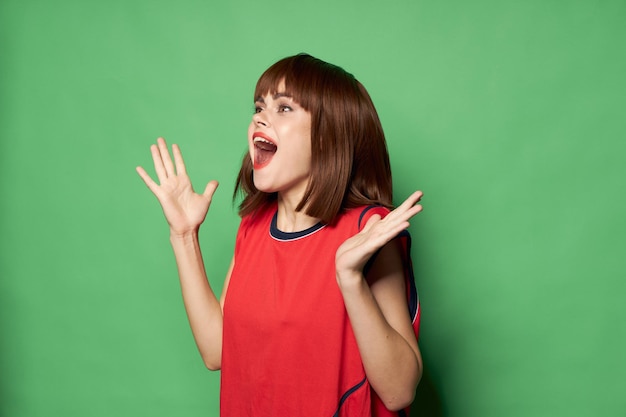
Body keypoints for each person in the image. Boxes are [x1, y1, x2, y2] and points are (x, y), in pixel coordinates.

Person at [136, 53, 423, 417]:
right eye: (259, 106)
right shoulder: (253, 227)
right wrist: (184, 236)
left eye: (284, 108)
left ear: (328, 135)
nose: (260, 116)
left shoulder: (369, 231)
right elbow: (217, 351)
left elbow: (399, 392)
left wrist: (350, 279)